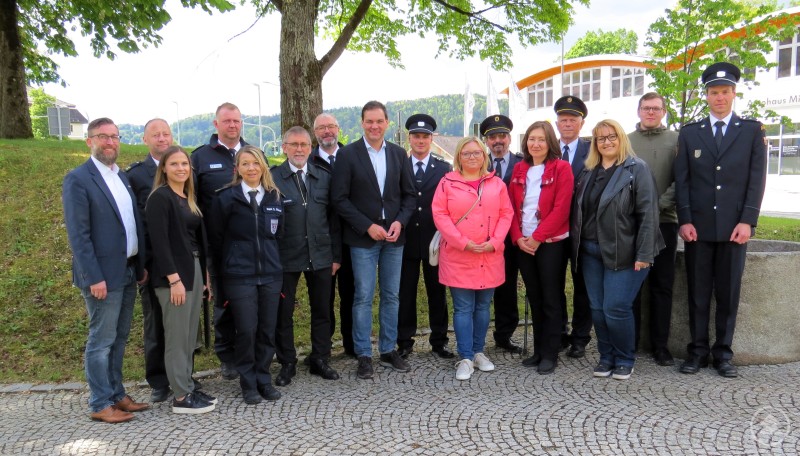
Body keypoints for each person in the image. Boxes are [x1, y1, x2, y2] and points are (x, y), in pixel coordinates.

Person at [674, 62, 767, 378]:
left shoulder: (751, 131)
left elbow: (756, 180)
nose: (719, 98)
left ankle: (723, 354)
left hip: (733, 229)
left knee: (728, 295)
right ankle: (697, 352)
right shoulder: (690, 134)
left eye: (725, 92)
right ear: (707, 95)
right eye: (714, 92)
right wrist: (684, 219)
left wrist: (748, 221)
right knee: (698, 294)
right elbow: (682, 181)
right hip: (697, 229)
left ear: (733, 93)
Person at [63, 117, 150, 423]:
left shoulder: (121, 177)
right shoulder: (79, 179)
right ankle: (100, 403)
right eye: (103, 137)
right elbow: (79, 235)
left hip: (127, 270)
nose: (110, 142)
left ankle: (117, 394)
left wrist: (139, 266)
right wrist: (93, 277)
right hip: (102, 275)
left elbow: (132, 224)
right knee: (101, 341)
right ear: (90, 141)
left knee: (120, 337)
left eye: (114, 137)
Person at [570, 119, 663, 381]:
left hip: (626, 251)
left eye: (612, 136)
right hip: (590, 251)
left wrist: (644, 254)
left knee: (616, 308)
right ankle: (606, 356)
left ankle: (624, 358)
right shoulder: (588, 172)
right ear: (595, 143)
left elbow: (649, 214)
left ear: (621, 138)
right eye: (601, 138)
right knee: (597, 308)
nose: (607, 142)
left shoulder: (637, 169)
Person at [331, 100, 416, 379]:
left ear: (387, 123)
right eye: (369, 121)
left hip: (393, 237)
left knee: (392, 295)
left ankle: (388, 349)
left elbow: (409, 196)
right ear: (362, 123)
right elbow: (339, 199)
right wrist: (366, 226)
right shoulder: (348, 155)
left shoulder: (398, 154)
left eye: (379, 121)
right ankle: (363, 354)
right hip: (362, 238)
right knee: (363, 296)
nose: (374, 126)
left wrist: (399, 222)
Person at [206, 145, 284, 403]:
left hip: (271, 275)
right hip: (239, 276)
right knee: (247, 330)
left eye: (256, 163)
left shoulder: (274, 197)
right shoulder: (226, 198)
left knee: (266, 330)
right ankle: (248, 382)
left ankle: (264, 378)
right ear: (237, 169)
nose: (251, 168)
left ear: (263, 166)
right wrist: (217, 277)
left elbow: (278, 237)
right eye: (245, 163)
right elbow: (216, 241)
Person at [432, 137, 513, 381]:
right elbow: (440, 215)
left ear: (484, 156)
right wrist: (462, 242)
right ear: (458, 157)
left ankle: (479, 351)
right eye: (466, 153)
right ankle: (465, 356)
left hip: (489, 254)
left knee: (482, 306)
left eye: (477, 153)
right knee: (463, 307)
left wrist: (495, 241)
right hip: (459, 255)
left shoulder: (496, 183)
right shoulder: (447, 183)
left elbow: (506, 213)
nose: (472, 157)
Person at [146, 146, 217, 414]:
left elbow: (197, 238)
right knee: (177, 337)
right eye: (174, 164)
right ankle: (180, 397)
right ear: (164, 168)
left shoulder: (188, 197)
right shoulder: (160, 198)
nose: (180, 168)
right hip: (173, 277)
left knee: (189, 336)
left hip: (194, 269)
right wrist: (174, 280)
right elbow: (160, 243)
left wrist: (205, 275)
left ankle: (187, 384)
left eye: (184, 164)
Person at [272, 126, 341, 385]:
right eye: (294, 144)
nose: (299, 149)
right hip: (285, 257)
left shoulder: (323, 177)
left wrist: (336, 256)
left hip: (321, 254)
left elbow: (334, 221)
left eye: (303, 144)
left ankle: (320, 358)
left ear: (310, 148)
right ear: (284, 148)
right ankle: (287, 361)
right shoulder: (273, 178)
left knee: (322, 309)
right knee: (283, 311)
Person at [509, 121, 574, 375]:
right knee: (534, 297)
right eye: (531, 139)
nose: (535, 144)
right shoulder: (519, 168)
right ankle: (538, 350)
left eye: (541, 139)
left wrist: (536, 237)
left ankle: (550, 352)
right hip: (523, 243)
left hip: (550, 244)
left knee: (550, 297)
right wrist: (517, 238)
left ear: (550, 143)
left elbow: (561, 209)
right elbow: (511, 209)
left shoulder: (561, 168)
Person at [191, 102, 248, 380]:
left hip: (251, 245)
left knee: (249, 302)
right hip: (218, 246)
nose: (232, 125)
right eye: (227, 121)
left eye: (237, 121)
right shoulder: (200, 158)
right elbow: (192, 204)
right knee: (223, 303)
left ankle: (250, 352)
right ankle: (227, 356)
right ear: (216, 124)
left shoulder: (253, 153)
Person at [627, 92, 680, 367]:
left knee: (662, 285)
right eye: (646, 108)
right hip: (632, 224)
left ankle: (660, 345)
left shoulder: (676, 140)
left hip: (665, 221)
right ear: (639, 111)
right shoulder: (627, 141)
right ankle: (631, 343)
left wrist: (658, 206)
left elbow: (682, 178)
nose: (650, 112)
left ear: (663, 111)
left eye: (656, 108)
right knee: (633, 285)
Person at [397, 114, 454, 359]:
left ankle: (439, 340)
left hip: (435, 241)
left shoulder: (443, 168)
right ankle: (404, 341)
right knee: (405, 292)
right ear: (409, 138)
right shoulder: (399, 165)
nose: (420, 141)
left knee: (437, 292)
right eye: (416, 136)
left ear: (432, 139)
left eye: (425, 136)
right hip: (406, 239)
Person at [125, 118, 173, 403]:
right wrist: (140, 263)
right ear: (145, 140)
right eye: (155, 135)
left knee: (182, 324)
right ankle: (158, 379)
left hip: (181, 258)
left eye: (166, 133)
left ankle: (182, 373)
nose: (162, 138)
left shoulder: (184, 166)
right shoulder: (137, 175)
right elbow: (135, 223)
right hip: (153, 261)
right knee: (155, 322)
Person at [311, 113, 355, 357]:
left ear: (338, 128)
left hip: (352, 239)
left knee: (351, 295)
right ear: (315, 132)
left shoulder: (353, 156)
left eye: (330, 126)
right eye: (321, 128)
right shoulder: (309, 160)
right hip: (322, 242)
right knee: (323, 299)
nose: (327, 131)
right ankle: (323, 348)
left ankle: (351, 345)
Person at [480, 114, 523, 354]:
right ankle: (478, 336)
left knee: (507, 287)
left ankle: (504, 334)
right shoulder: (476, 163)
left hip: (514, 236)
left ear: (509, 138)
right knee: (484, 287)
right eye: (493, 136)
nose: (498, 141)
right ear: (486, 140)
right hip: (484, 237)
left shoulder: (523, 163)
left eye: (502, 136)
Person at [554, 95, 592, 359]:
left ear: (582, 122)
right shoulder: (547, 149)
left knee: (583, 286)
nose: (567, 124)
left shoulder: (593, 150)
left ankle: (580, 337)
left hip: (584, 228)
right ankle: (559, 332)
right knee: (554, 284)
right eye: (563, 119)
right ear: (556, 123)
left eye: (572, 120)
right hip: (554, 229)